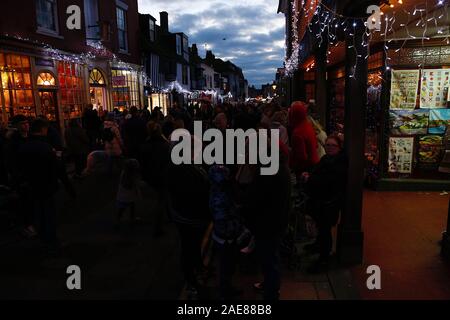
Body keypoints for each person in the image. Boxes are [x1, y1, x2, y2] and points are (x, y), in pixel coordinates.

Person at [242, 132, 291, 301]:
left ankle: (271, 293)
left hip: (268, 225)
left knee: (269, 260)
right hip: (274, 222)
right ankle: (270, 286)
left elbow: (256, 200)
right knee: (270, 258)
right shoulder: (274, 164)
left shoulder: (267, 172)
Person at [167, 136, 211, 297]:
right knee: (188, 247)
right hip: (190, 216)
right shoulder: (185, 170)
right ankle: (191, 281)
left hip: (185, 214)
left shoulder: (181, 166)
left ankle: (197, 268)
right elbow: (195, 192)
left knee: (192, 245)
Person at [302, 134, 347, 273]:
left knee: (325, 230)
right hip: (322, 201)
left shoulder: (337, 163)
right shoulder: (328, 159)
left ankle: (323, 258)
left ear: (339, 148)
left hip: (328, 203)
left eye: (333, 145)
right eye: (328, 145)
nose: (330, 147)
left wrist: (310, 179)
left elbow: (327, 182)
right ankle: (319, 248)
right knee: (322, 229)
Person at [17, 118, 61, 252]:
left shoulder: (24, 146)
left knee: (38, 210)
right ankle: (51, 239)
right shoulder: (46, 147)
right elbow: (54, 167)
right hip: (46, 184)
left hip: (31, 183)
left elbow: (18, 166)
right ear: (43, 130)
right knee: (48, 212)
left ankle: (41, 235)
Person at [209, 164, 244, 300]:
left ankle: (227, 288)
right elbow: (223, 217)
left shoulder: (216, 190)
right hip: (226, 237)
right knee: (226, 266)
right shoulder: (221, 195)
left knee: (227, 266)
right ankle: (225, 292)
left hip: (225, 235)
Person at [139, 121, 170, 237]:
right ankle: (158, 226)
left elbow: (143, 162)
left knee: (159, 199)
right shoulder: (165, 145)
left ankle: (162, 218)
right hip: (162, 175)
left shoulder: (145, 145)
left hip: (150, 176)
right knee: (161, 200)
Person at [289, 101, 320, 181]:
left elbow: (301, 157)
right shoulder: (308, 126)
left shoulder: (298, 132)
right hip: (314, 163)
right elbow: (316, 145)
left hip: (305, 168)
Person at [115, 159, 142, 229]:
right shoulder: (132, 176)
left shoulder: (124, 173)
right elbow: (135, 185)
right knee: (130, 206)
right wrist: (138, 193)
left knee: (123, 207)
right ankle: (129, 219)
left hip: (123, 193)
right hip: (129, 194)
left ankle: (119, 220)